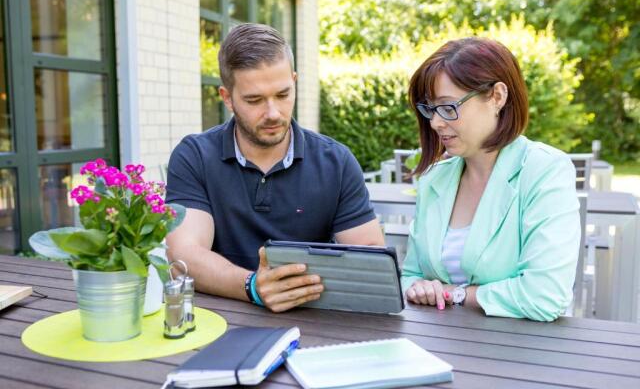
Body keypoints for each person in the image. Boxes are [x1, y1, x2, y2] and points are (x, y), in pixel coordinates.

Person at [165, 23, 384, 313]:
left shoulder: (336, 162)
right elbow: (184, 256)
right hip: (219, 323)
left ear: (294, 80)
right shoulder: (194, 156)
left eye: (283, 94)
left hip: (316, 323)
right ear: (227, 97)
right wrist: (253, 286)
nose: (272, 113)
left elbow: (372, 260)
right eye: (254, 100)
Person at [401, 37, 580, 322]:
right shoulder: (435, 180)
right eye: (431, 109)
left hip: (518, 353)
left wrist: (455, 294)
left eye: (448, 108)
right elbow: (410, 275)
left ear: (497, 97)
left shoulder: (544, 171)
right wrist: (418, 287)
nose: (435, 122)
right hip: (438, 346)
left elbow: (545, 296)